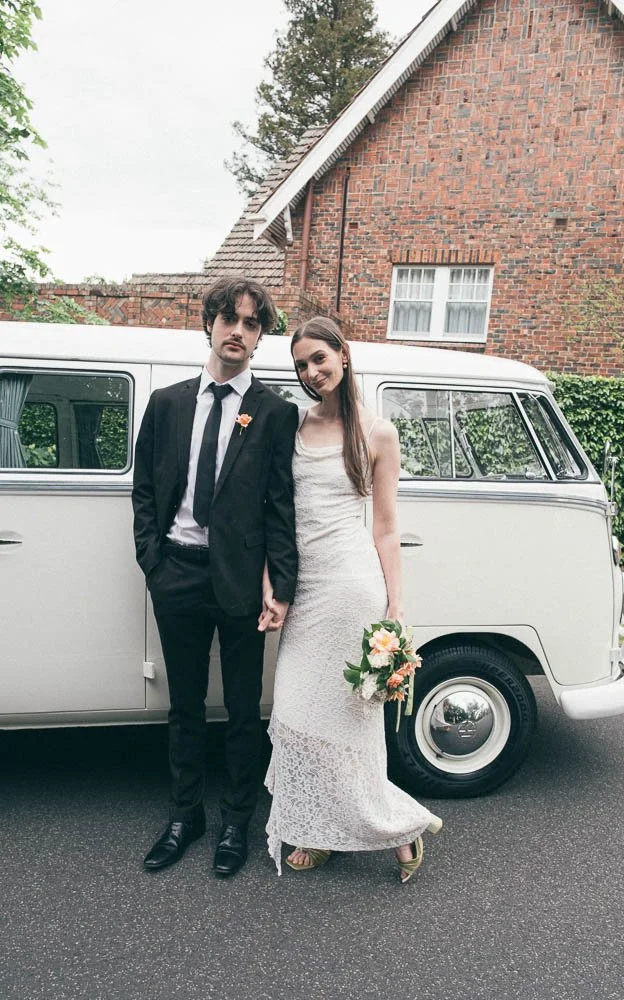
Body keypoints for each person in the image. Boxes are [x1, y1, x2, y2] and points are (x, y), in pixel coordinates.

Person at [265, 317, 442, 882]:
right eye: (300, 365)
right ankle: (322, 828)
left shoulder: (377, 432)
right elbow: (276, 513)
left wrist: (395, 607)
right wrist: (273, 581)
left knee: (351, 721)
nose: (311, 372)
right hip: (304, 589)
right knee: (297, 711)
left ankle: (397, 832)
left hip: (350, 587)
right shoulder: (291, 426)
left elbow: (386, 528)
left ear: (343, 354)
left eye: (319, 358)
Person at [132, 275, 298, 877]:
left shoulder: (275, 412)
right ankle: (184, 816)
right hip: (176, 574)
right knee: (184, 706)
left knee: (244, 710)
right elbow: (145, 490)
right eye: (229, 319)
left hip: (240, 584)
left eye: (251, 323)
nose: (238, 331)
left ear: (259, 337)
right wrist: (153, 562)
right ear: (210, 323)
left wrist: (281, 586)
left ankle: (235, 823)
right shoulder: (169, 402)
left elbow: (282, 507)